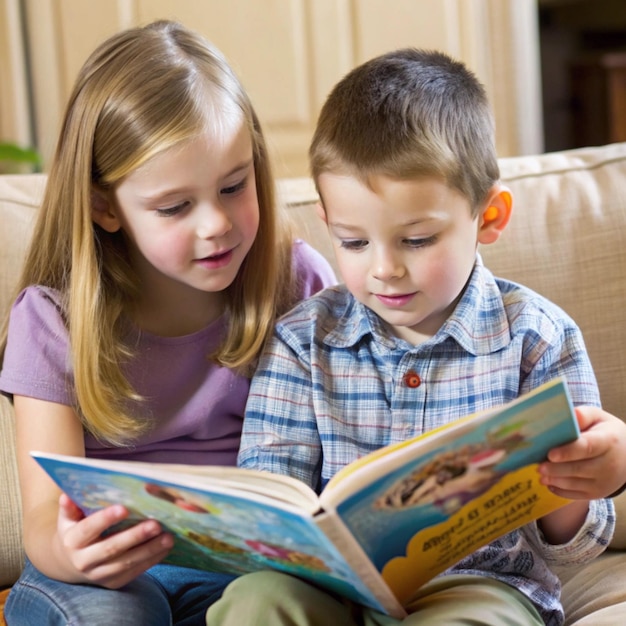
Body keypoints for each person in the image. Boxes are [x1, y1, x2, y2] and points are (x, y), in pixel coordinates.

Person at [205, 49, 626, 626]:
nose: (384, 269)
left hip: (478, 586)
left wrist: (581, 483)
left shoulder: (537, 338)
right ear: (327, 225)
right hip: (331, 591)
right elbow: (270, 502)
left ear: (489, 217)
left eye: (417, 240)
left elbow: (575, 548)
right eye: (354, 243)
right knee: (256, 601)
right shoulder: (303, 341)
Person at [0, 20, 336, 626]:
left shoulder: (297, 284)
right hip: (105, 579)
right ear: (105, 207)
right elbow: (45, 523)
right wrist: (74, 554)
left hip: (250, 571)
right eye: (176, 206)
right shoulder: (53, 323)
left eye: (235, 186)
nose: (216, 224)